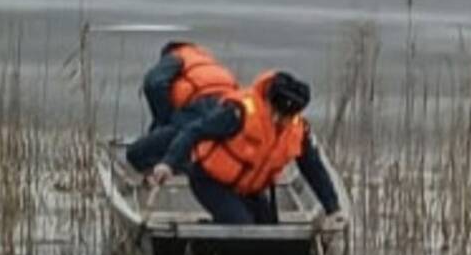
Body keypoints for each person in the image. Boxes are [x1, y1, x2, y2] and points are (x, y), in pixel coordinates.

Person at [147, 70, 347, 228]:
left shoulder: (298, 131)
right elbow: (193, 131)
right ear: (268, 102)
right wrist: (168, 163)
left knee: (270, 233)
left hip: (248, 190)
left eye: (286, 117)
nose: (279, 121)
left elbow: (313, 169)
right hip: (210, 181)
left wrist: (333, 209)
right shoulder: (238, 113)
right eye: (276, 113)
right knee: (241, 227)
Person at [126, 41, 238, 173]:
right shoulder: (209, 62)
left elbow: (154, 83)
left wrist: (163, 120)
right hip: (230, 110)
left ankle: (190, 169)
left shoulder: (177, 55)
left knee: (136, 154)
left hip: (199, 110)